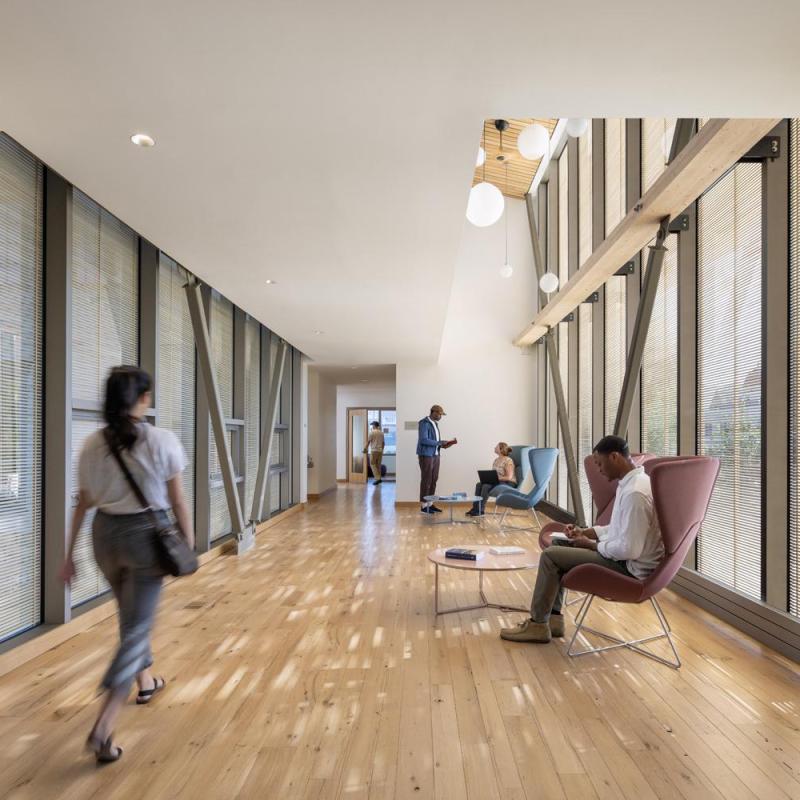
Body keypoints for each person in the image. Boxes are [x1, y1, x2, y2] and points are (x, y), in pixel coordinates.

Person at [60, 366, 194, 763]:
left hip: (104, 537)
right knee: (137, 628)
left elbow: (82, 502)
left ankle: (147, 681)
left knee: (129, 615)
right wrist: (187, 541)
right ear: (142, 399)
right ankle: (103, 728)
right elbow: (178, 500)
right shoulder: (161, 441)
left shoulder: (90, 445)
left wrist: (68, 555)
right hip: (145, 539)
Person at [500, 435, 664, 643]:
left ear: (614, 457)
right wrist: (586, 532)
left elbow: (630, 549)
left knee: (550, 556)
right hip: (624, 557)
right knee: (559, 543)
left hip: (629, 568)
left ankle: (538, 625)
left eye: (599, 463)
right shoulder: (632, 483)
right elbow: (618, 529)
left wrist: (592, 545)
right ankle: (553, 620)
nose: (598, 469)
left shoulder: (635, 493)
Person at [417, 404, 457, 514]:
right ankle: (424, 506)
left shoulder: (435, 424)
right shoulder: (424, 423)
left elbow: (434, 441)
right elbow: (423, 440)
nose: (440, 416)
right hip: (426, 455)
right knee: (426, 480)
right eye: (439, 414)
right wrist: (439, 442)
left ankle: (430, 503)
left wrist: (445, 444)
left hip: (435, 455)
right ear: (433, 412)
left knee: (434, 479)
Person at [466, 442, 517, 517]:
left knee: (486, 486)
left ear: (501, 449)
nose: (494, 447)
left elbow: (509, 477)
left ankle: (481, 510)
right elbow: (494, 474)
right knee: (479, 484)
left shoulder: (508, 460)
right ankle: (475, 508)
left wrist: (497, 478)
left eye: (496, 446)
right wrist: (489, 478)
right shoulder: (496, 460)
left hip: (508, 483)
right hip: (498, 481)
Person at [363, 420, 385, 485]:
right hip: (380, 451)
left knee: (372, 464)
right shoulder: (381, 433)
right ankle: (379, 478)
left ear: (375, 426)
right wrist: (381, 450)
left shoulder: (372, 433)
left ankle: (377, 478)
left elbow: (368, 442)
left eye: (372, 425)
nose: (372, 426)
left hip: (374, 450)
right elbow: (383, 443)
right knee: (378, 465)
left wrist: (365, 449)